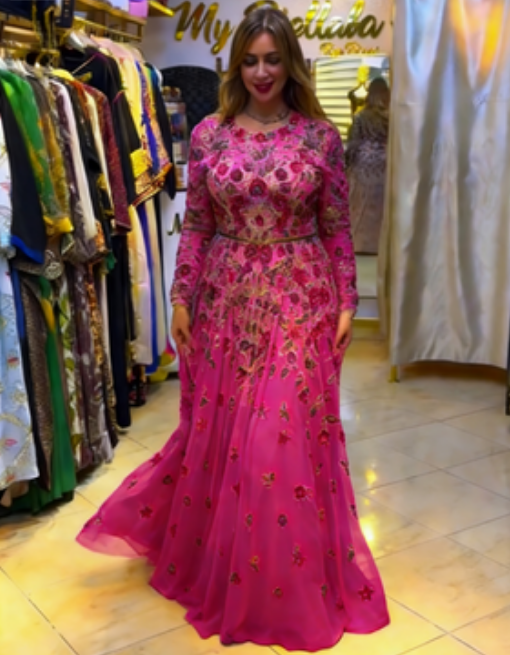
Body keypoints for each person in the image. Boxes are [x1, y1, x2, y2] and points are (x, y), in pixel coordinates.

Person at [76, 7, 390, 651]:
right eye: (250, 60)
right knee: (227, 436)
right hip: (226, 299)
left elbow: (336, 227)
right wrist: (181, 295)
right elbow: (197, 224)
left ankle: (284, 581)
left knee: (280, 436)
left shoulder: (320, 137)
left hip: (302, 296)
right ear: (235, 65)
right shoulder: (211, 135)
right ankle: (230, 563)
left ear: (291, 63)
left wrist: (346, 301)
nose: (262, 72)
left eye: (273, 59)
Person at [345, 77, 390, 254]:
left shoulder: (360, 116)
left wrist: (347, 163)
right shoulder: (391, 116)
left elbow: (354, 143)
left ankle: (361, 243)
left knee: (360, 203)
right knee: (381, 204)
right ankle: (381, 243)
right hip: (385, 161)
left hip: (364, 163)